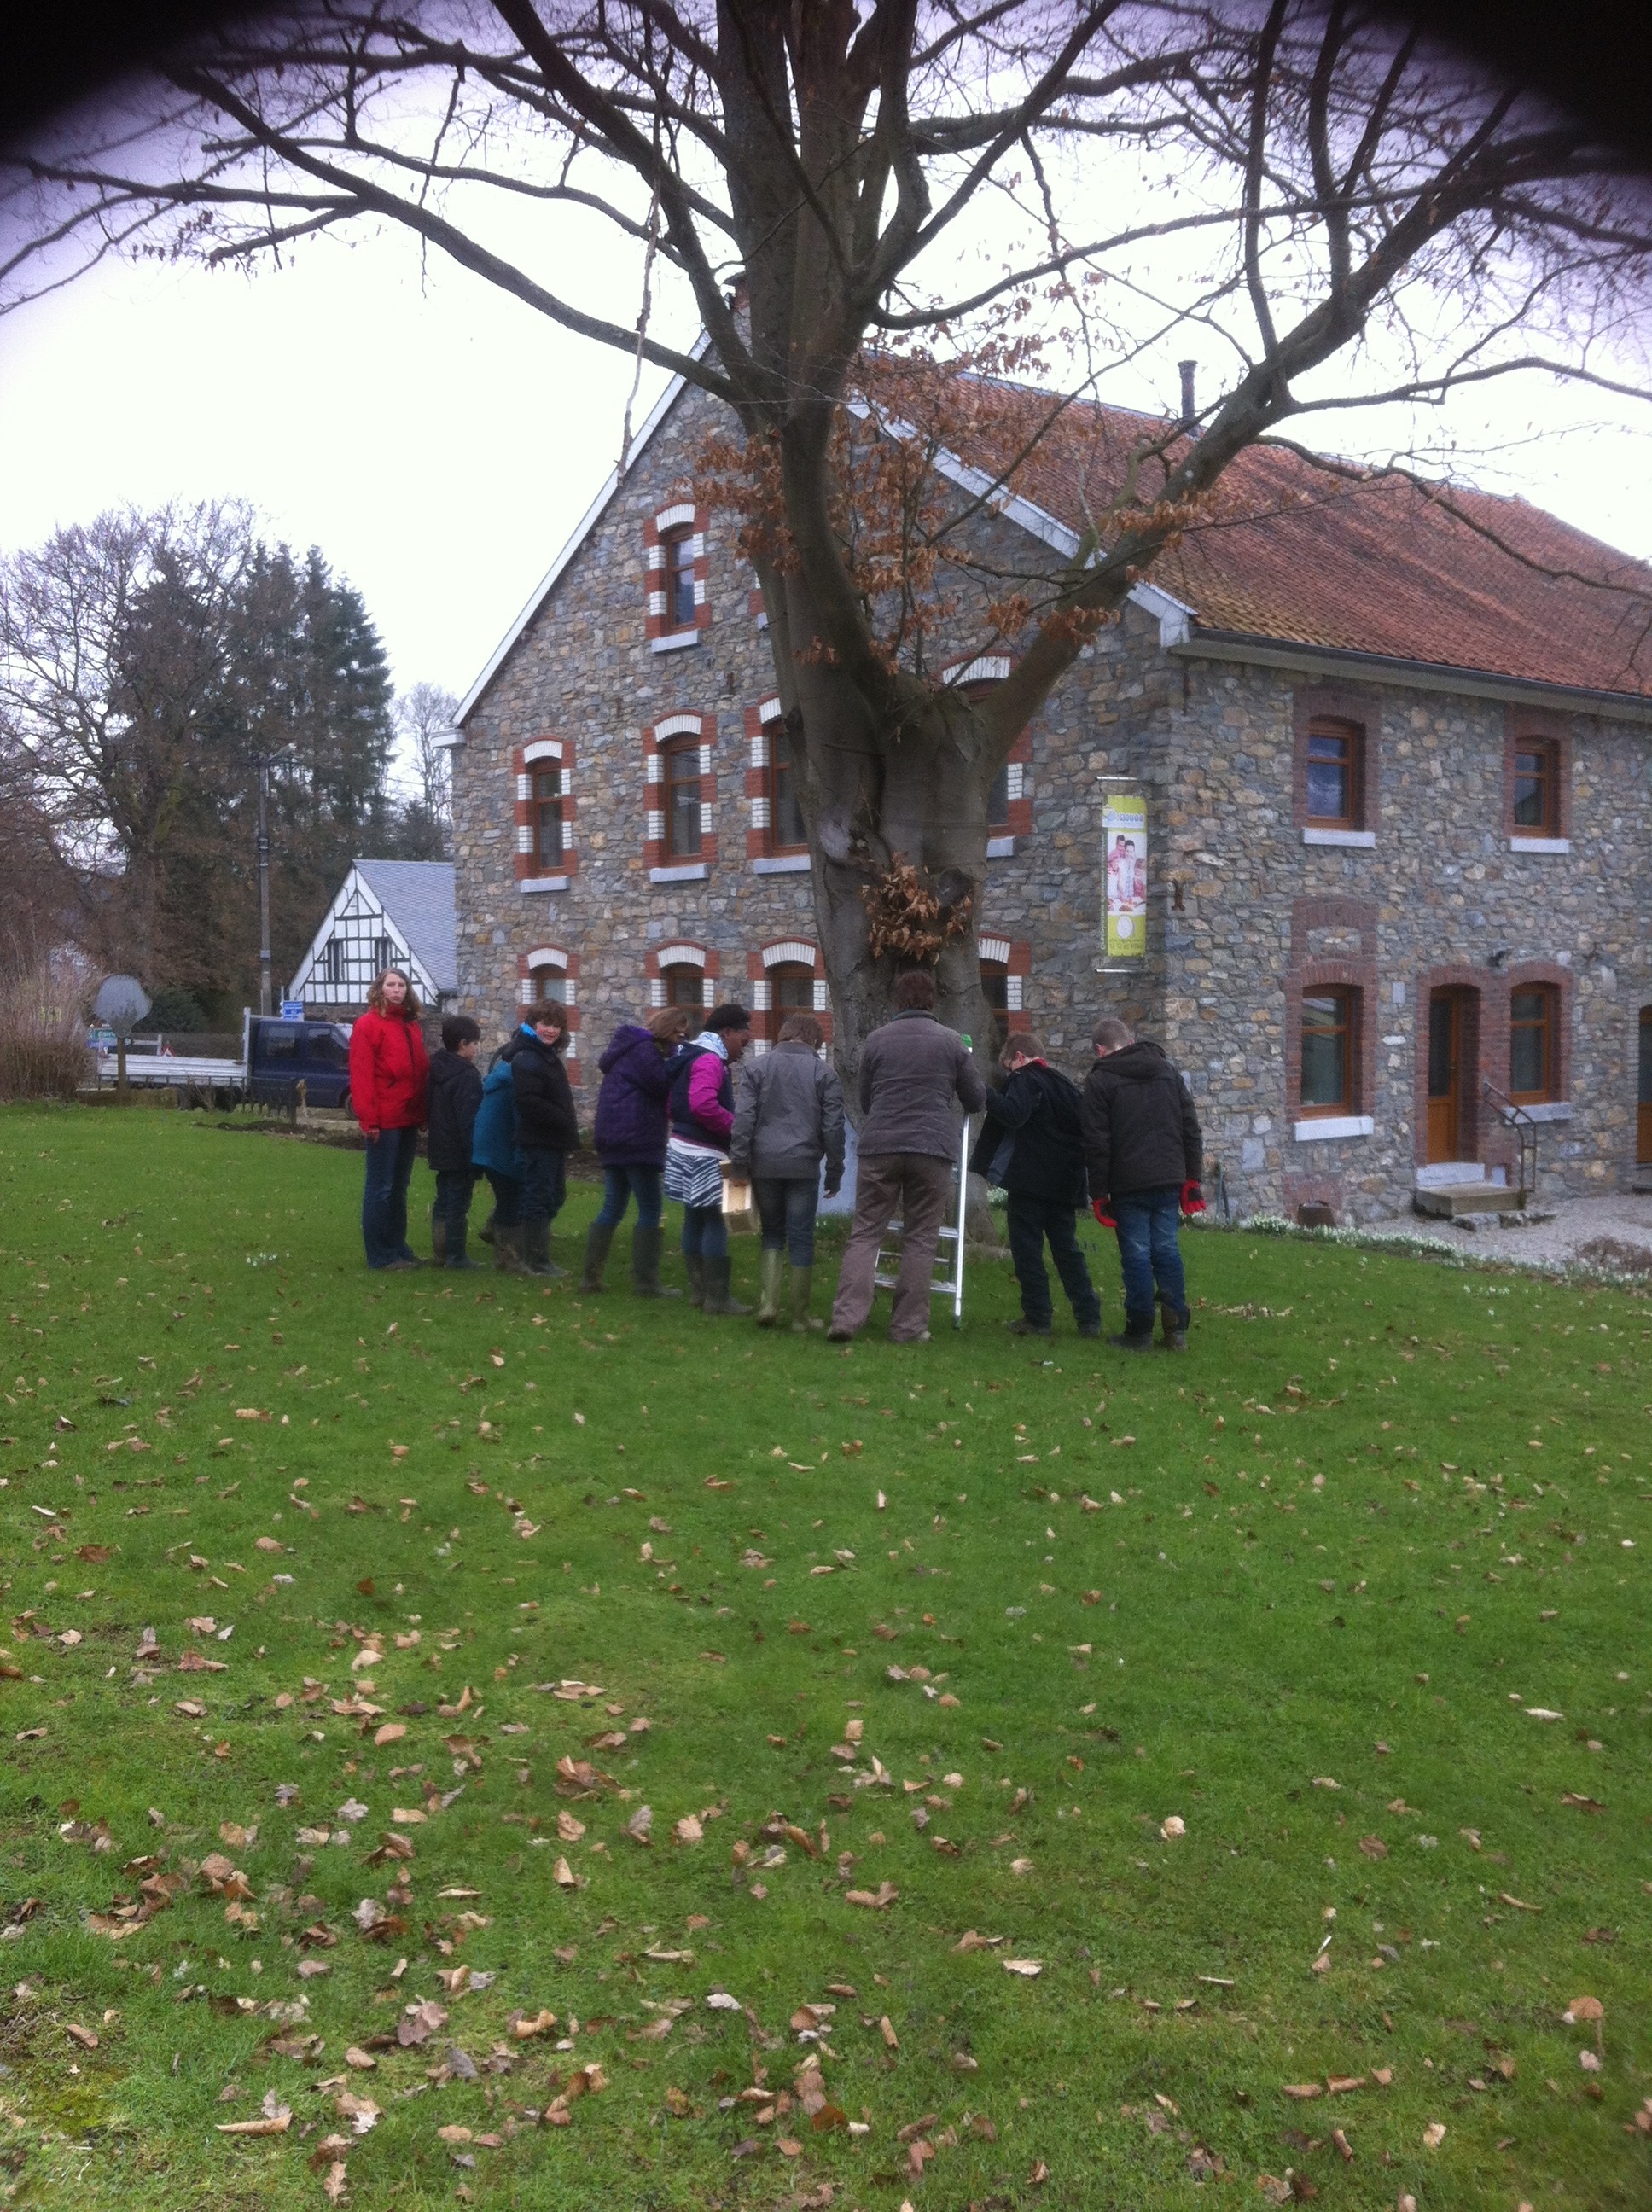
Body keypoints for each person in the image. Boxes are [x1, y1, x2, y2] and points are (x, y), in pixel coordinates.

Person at [828, 969, 986, 1345]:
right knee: (921, 1237)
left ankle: (847, 1320)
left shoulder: (877, 1041)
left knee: (865, 1233)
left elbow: (865, 1099)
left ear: (897, 1001)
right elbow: (976, 1099)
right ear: (933, 1000)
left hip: (881, 1144)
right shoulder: (951, 1044)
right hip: (931, 1147)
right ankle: (907, 1327)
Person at [1079, 1016, 1205, 1352]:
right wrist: (1193, 1178)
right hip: (1168, 1175)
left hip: (1128, 1181)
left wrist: (1099, 1194)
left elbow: (1097, 1143)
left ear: (1100, 1049)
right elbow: (1190, 1126)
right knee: (1166, 1249)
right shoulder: (1166, 1071)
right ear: (1131, 1041)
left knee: (1136, 1254)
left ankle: (1140, 1330)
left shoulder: (1100, 1082)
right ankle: (1176, 1329)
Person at [970, 1029, 1101, 1339]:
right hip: (1064, 1184)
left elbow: (1014, 1114)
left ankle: (1038, 1316)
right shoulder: (1065, 1086)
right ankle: (1089, 1317)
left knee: (1027, 1248)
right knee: (1067, 1251)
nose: (1008, 1073)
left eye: (1007, 1066)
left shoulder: (1025, 1078)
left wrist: (985, 1092)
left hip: (1030, 1181)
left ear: (1019, 1057)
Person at [730, 1012, 845, 1332]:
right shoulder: (825, 1075)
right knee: (801, 1237)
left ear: (784, 1035)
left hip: (764, 1164)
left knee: (771, 1232)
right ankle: (800, 1316)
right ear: (815, 1042)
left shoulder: (756, 1068)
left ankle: (768, 1304)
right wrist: (835, 1171)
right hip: (804, 1165)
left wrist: (739, 1165)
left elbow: (743, 1121)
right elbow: (833, 1128)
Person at [581, 1007, 691, 1298]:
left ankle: (590, 1277)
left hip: (613, 1137)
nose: (680, 1041)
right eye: (679, 1034)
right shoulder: (645, 1051)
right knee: (651, 1208)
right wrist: (679, 1060)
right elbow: (661, 1085)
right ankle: (646, 1282)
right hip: (637, 1137)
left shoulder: (628, 1048)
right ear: (669, 1030)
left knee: (612, 1207)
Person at [665, 1001, 753, 1315]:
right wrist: (736, 1126)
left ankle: (699, 1293)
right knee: (715, 1218)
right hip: (704, 1151)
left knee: (693, 1217)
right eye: (743, 1041)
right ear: (726, 1033)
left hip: (681, 1145)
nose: (744, 1049)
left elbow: (673, 1101)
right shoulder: (710, 1061)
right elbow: (703, 1105)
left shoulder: (686, 1054)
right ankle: (717, 1298)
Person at [348, 966, 429, 1271]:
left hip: (407, 1116)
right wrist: (369, 1121)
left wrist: (421, 1113)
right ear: (380, 989)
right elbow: (362, 1076)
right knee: (380, 1187)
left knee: (399, 1186)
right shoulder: (368, 1025)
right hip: (384, 1118)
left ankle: (398, 1245)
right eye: (391, 985)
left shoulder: (410, 1026)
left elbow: (419, 1073)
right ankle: (380, 1254)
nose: (397, 990)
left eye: (401, 985)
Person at [505, 1002, 579, 1278]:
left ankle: (530, 1254)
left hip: (552, 1139)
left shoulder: (545, 1054)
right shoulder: (528, 1057)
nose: (551, 1030)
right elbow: (528, 1102)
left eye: (556, 1026)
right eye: (545, 1024)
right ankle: (535, 1260)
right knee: (539, 1195)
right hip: (539, 1139)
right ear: (533, 1024)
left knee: (553, 1195)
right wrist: (560, 1117)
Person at [426, 1013, 484, 1270]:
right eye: (475, 1043)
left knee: (443, 1200)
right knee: (459, 1203)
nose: (477, 1048)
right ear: (463, 1044)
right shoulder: (467, 1076)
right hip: (460, 1151)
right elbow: (468, 1120)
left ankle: (441, 1251)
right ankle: (456, 1255)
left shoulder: (436, 1069)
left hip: (440, 1146)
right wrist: (475, 1158)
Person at [471, 1042, 528, 1275]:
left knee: (507, 1197)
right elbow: (518, 1121)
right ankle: (507, 1259)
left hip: (486, 1148)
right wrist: (520, 1156)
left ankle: (494, 1231)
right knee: (510, 1201)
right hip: (499, 1149)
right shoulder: (515, 1082)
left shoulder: (500, 1077)